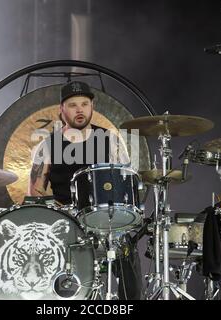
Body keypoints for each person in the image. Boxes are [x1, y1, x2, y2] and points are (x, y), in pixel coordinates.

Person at [28, 80, 143, 300]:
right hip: (65, 220)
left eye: (84, 103)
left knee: (127, 246)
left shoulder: (109, 140)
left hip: (105, 219)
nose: (79, 109)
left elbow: (127, 182)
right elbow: (35, 195)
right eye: (72, 105)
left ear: (92, 107)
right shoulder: (47, 146)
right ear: (62, 110)